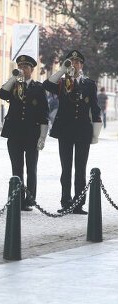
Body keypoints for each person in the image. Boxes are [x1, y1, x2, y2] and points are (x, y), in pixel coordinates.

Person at [43, 50, 103, 214]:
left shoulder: (89, 84)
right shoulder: (62, 83)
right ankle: (65, 201)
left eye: (77, 62)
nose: (74, 65)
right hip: (65, 131)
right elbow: (46, 85)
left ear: (81, 65)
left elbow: (95, 108)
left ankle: (79, 203)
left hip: (83, 130)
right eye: (71, 62)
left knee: (81, 168)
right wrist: (62, 69)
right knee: (66, 168)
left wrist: (95, 132)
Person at [0, 55, 49, 211]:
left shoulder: (38, 88)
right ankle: (17, 197)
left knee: (31, 168)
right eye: (20, 67)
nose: (22, 69)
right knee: (16, 167)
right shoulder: (13, 85)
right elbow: (1, 94)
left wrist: (42, 136)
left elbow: (44, 114)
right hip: (14, 133)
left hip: (32, 134)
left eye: (25, 67)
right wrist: (13, 78)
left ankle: (30, 199)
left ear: (32, 70)